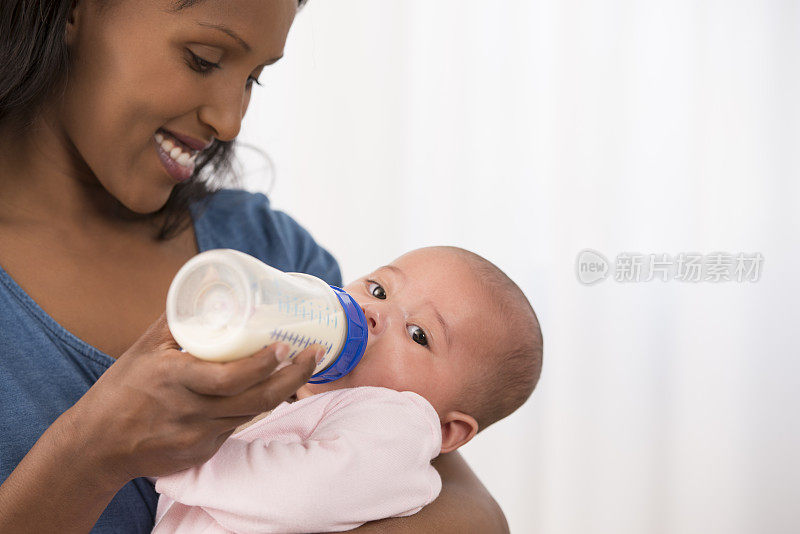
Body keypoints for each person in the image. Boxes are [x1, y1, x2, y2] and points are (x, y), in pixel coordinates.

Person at [0, 1, 512, 532]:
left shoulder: (271, 258)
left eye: (253, 79)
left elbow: (471, 517)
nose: (229, 121)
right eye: (203, 58)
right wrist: (91, 450)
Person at [151, 246, 543, 533]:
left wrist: (178, 462)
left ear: (444, 431)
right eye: (378, 290)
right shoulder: (299, 393)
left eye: (419, 334)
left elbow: (304, 494)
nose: (376, 312)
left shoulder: (399, 425)